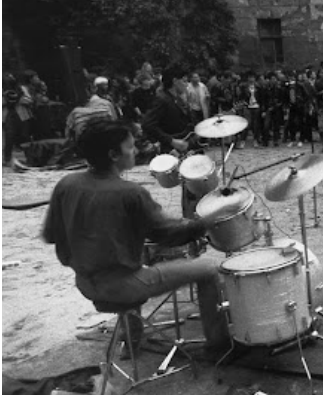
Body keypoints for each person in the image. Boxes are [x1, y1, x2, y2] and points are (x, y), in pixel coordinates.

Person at [42, 120, 229, 355]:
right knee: (209, 269)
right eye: (130, 147)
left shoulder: (66, 184)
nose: (136, 151)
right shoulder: (130, 192)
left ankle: (132, 341)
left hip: (85, 283)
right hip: (123, 287)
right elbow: (169, 235)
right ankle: (219, 347)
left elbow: (49, 235)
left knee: (134, 257)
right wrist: (205, 223)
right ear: (113, 154)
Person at [65, 77, 120, 142]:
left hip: (84, 148)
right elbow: (116, 128)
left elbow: (68, 136)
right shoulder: (107, 105)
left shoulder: (75, 113)